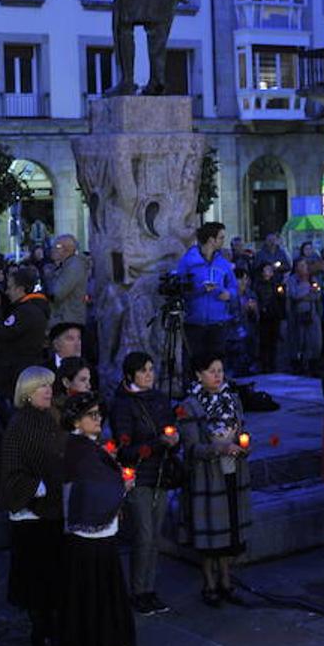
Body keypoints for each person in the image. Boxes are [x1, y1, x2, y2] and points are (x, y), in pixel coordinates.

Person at [59, 392, 136, 646]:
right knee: (95, 596)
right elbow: (95, 488)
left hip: (89, 535)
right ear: (77, 420)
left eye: (98, 413)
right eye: (92, 415)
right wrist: (122, 487)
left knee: (88, 594)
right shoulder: (82, 450)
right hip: (91, 537)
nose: (98, 418)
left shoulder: (85, 447)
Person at [0, 366, 68, 646]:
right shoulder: (19, 425)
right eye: (42, 386)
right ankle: (42, 631)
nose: (48, 391)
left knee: (55, 575)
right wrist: (39, 486)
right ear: (28, 392)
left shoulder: (52, 418)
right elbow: (12, 470)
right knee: (37, 577)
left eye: (50, 386)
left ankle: (56, 628)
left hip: (56, 511)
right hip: (33, 515)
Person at [178, 351, 252, 607]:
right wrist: (219, 448)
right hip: (208, 477)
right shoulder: (190, 405)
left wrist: (243, 443)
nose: (218, 375)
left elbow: (242, 428)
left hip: (232, 471)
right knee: (211, 536)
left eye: (220, 370)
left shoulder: (232, 399)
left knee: (230, 531)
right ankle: (210, 584)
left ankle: (227, 581)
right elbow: (191, 448)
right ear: (199, 374)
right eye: (211, 371)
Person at [109, 351, 180, 615]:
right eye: (143, 371)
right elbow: (124, 448)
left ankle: (149, 589)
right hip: (139, 476)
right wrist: (156, 444)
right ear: (131, 375)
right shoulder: (123, 405)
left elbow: (171, 428)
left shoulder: (160, 399)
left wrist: (174, 440)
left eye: (151, 369)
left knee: (154, 536)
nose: (149, 375)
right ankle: (138, 590)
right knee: (144, 534)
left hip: (161, 473)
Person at [174, 222, 238, 366]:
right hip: (194, 323)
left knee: (216, 363)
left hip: (218, 323)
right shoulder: (189, 261)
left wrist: (229, 294)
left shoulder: (222, 262)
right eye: (221, 238)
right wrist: (200, 289)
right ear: (211, 240)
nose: (223, 241)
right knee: (194, 364)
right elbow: (180, 288)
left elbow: (233, 286)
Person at [0, 265, 51, 404]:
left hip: (16, 372)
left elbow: (2, 332)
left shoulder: (25, 312)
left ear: (20, 289)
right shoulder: (33, 308)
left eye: (10, 287)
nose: (7, 292)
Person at [285, 258, 323, 374]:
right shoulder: (292, 280)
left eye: (305, 265)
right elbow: (295, 294)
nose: (303, 268)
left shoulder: (312, 279)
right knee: (298, 340)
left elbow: (317, 294)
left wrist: (307, 295)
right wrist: (307, 290)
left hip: (312, 313)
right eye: (301, 265)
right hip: (297, 314)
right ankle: (298, 363)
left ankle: (313, 363)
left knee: (314, 340)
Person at [47, 234, 90, 329]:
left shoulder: (73, 267)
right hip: (66, 318)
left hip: (68, 320)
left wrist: (50, 277)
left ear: (67, 250)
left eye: (57, 247)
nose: (53, 250)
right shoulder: (67, 265)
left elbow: (57, 293)